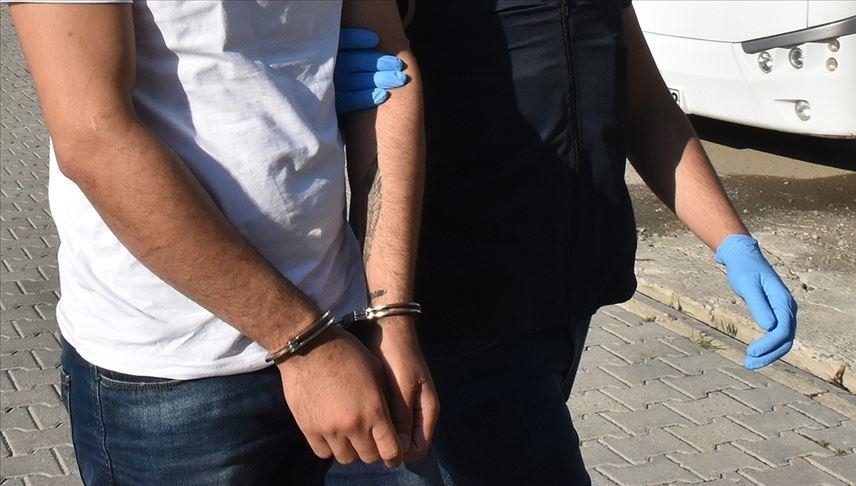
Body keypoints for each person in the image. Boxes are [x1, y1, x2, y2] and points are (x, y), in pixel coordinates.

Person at [330, 0, 798, 484]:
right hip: (465, 316)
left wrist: (732, 242)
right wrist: (389, 319)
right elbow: (371, 111)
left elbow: (644, 104)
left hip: (568, 304)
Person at [7, 0, 437, 484]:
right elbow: (93, 138)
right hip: (176, 372)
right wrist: (304, 344)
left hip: (346, 330)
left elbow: (388, 63)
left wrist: (390, 317)